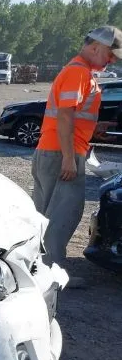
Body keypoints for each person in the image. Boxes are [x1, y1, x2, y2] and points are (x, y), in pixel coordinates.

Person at [32, 25, 121, 288]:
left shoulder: (79, 72)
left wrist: (95, 129)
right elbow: (65, 115)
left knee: (44, 216)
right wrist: (70, 159)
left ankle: (37, 270)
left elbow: (71, 115)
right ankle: (51, 277)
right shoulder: (78, 73)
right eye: (110, 54)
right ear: (96, 47)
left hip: (52, 151)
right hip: (62, 154)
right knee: (63, 215)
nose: (112, 60)